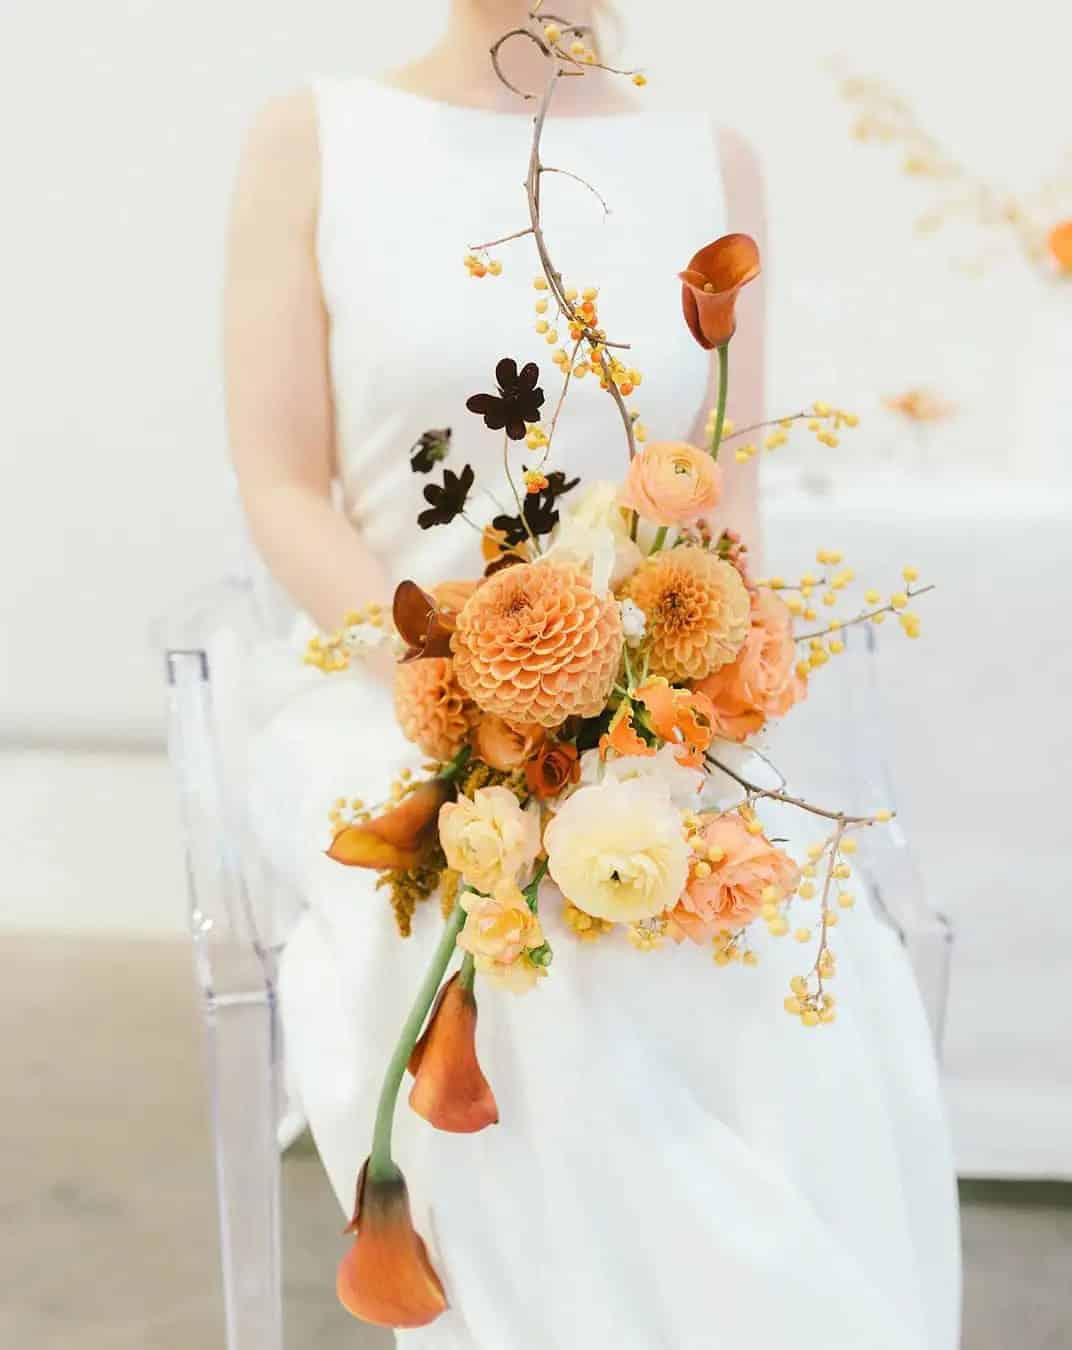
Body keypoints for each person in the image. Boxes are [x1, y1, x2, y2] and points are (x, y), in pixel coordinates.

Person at [226, 3, 961, 1346]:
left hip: (641, 706)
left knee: (775, 913)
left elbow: (725, 495)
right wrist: (448, 667)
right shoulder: (314, 139)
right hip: (390, 691)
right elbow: (282, 482)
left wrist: (695, 681)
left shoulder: (713, 162)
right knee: (531, 952)